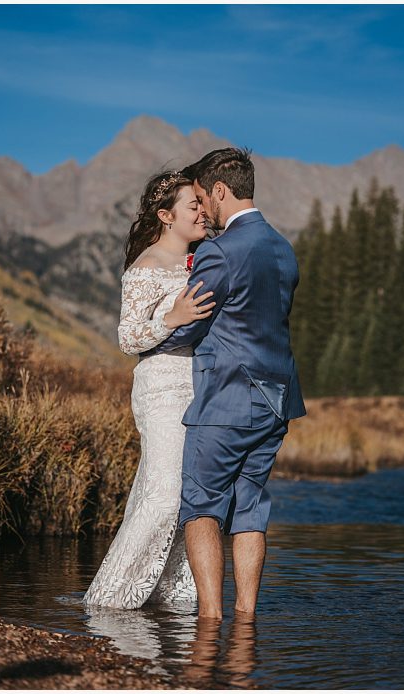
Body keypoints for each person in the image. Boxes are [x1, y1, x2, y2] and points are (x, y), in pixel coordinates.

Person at [153, 147, 305, 620]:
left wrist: (155, 331)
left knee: (201, 506)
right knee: (251, 510)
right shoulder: (283, 247)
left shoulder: (220, 250)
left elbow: (191, 323)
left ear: (220, 190)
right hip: (278, 400)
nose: (203, 209)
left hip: (227, 400)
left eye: (202, 197)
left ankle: (210, 623)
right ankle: (246, 623)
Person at [82, 170, 214, 609]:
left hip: (201, 387)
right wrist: (170, 319)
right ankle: (109, 601)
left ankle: (172, 601)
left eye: (202, 203)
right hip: (160, 387)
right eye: (192, 204)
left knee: (188, 500)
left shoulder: (203, 259)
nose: (202, 210)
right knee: (162, 497)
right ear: (166, 215)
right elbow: (127, 338)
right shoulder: (147, 266)